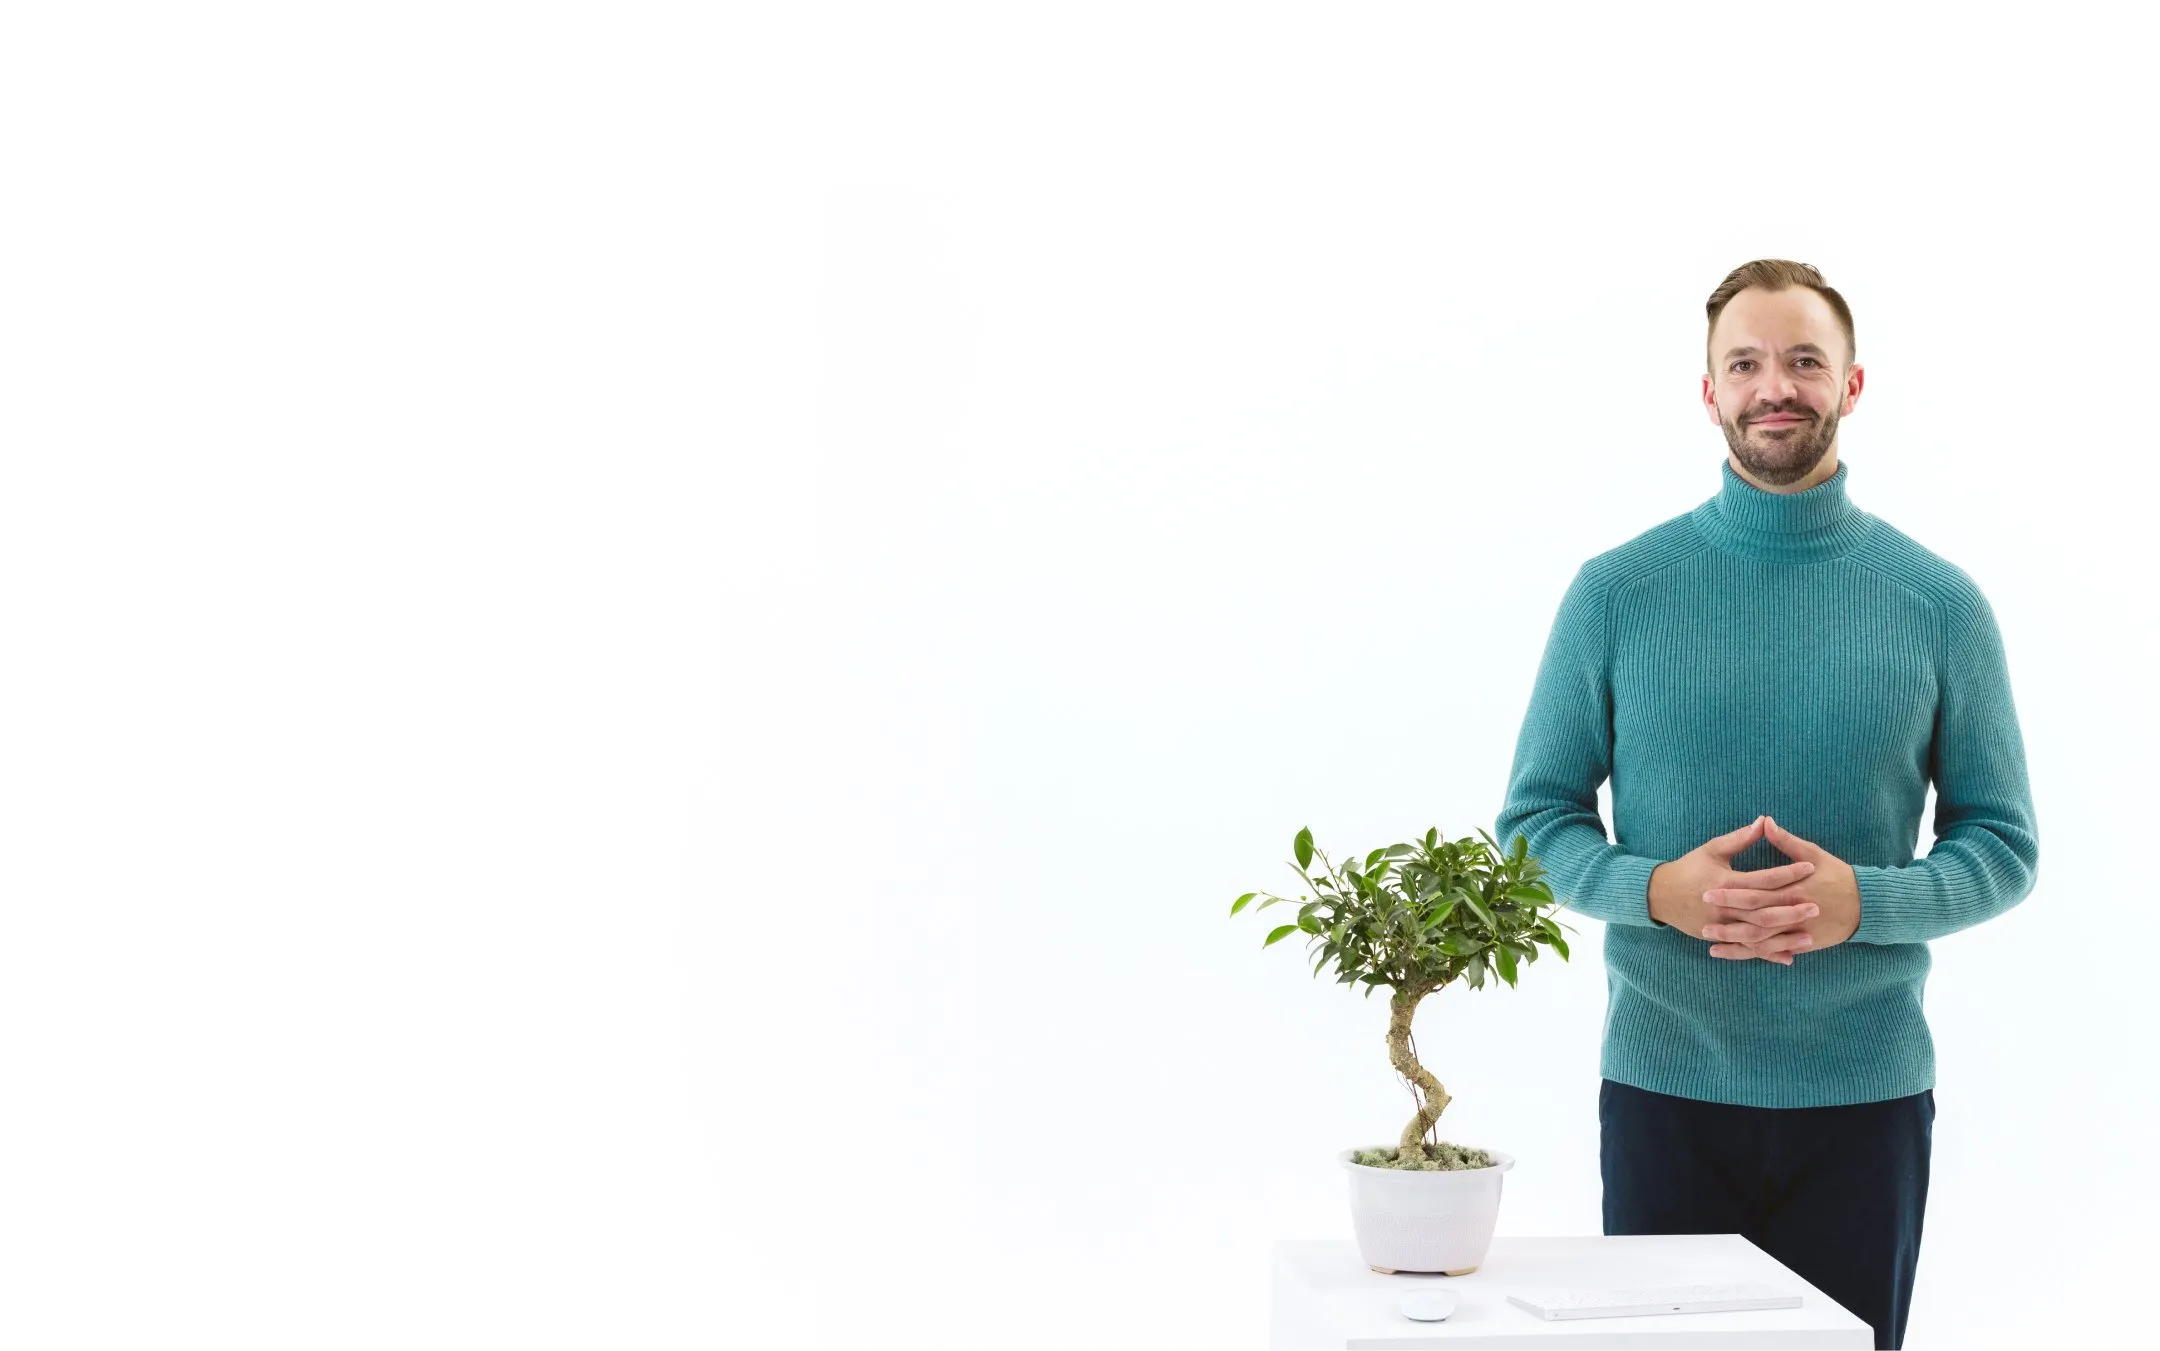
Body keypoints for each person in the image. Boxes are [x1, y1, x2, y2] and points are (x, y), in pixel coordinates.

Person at [1492, 259, 2040, 1350]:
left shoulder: (1938, 604)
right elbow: (1531, 824)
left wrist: (1863, 905)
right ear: (1709, 392)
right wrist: (1654, 891)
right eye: (1745, 364)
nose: (1773, 386)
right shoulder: (1617, 593)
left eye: (1803, 361)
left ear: (1853, 383)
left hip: (1866, 1100)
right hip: (1664, 1091)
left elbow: (2004, 841)